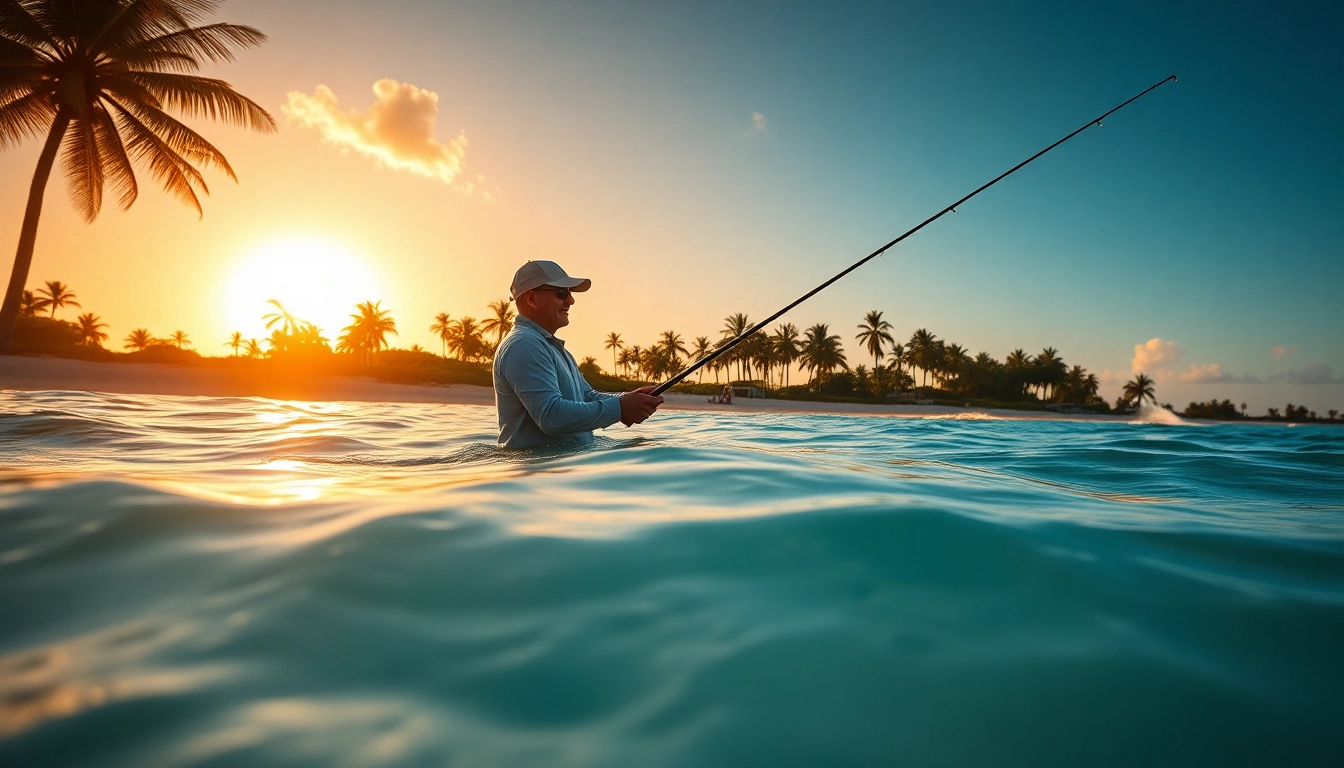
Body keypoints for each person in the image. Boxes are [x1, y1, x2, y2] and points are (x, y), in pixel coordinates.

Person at [493, 260, 663, 449]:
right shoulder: (524, 345)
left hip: (559, 470)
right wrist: (621, 408)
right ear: (531, 298)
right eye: (561, 294)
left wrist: (627, 399)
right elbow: (551, 416)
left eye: (570, 294)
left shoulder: (552, 349)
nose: (570, 301)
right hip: (539, 474)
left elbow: (586, 396)